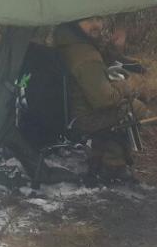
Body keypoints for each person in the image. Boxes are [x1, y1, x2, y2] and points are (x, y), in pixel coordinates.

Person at [53, 16, 133, 178]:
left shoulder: (68, 42)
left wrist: (114, 48)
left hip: (67, 112)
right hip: (83, 118)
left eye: (99, 19)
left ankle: (99, 157)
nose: (96, 25)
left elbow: (96, 62)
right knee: (133, 108)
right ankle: (112, 167)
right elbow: (106, 100)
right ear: (75, 21)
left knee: (119, 105)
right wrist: (128, 86)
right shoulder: (85, 55)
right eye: (89, 20)